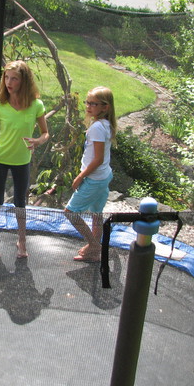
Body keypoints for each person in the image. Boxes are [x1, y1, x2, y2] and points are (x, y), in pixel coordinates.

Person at [0, 60, 49, 258]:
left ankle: (22, 241)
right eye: (6, 77)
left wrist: (38, 141)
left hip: (22, 161)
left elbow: (45, 133)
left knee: (20, 202)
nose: (9, 82)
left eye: (14, 78)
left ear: (24, 81)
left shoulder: (36, 105)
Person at [65, 86, 116, 262]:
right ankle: (94, 253)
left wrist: (80, 176)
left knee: (70, 212)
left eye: (93, 104)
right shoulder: (106, 124)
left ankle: (94, 246)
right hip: (104, 176)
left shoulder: (97, 127)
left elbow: (98, 159)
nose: (88, 106)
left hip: (94, 179)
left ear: (105, 107)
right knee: (96, 213)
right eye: (87, 102)